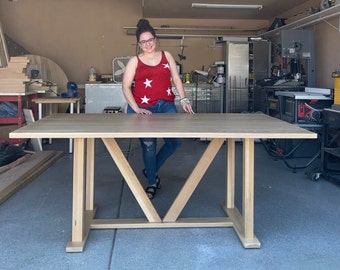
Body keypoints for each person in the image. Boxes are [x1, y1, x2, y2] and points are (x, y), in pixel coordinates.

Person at [122, 19, 194, 199]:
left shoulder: (166, 56)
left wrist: (184, 98)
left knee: (175, 142)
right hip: (144, 108)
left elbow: (176, 79)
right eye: (143, 41)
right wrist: (136, 109)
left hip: (166, 105)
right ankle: (152, 182)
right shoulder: (135, 61)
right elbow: (125, 86)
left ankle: (150, 170)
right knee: (149, 145)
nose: (148, 44)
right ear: (139, 44)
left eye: (150, 40)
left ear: (155, 39)